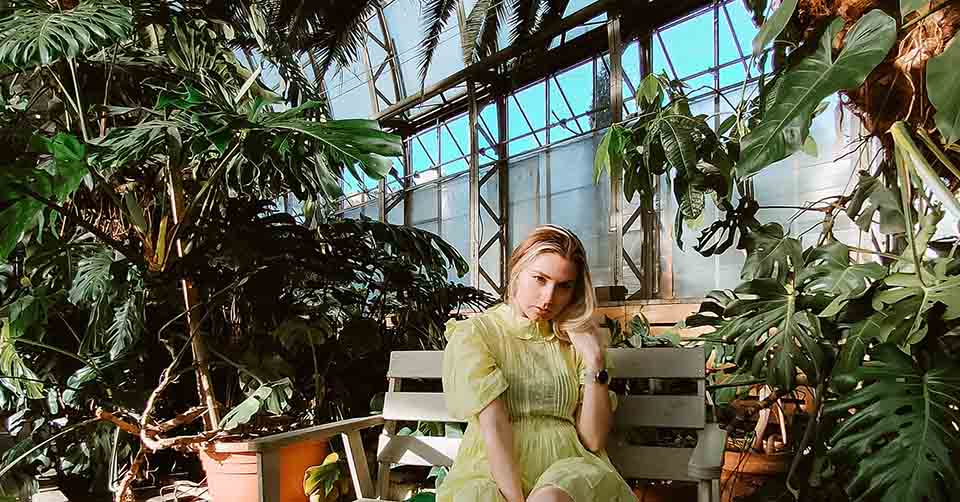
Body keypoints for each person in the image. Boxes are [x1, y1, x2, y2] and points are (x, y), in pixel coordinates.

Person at [438, 225, 635, 502]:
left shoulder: (578, 340)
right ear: (517, 271)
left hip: (568, 470)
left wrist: (595, 362)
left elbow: (592, 440)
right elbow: (495, 426)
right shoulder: (477, 334)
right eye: (540, 279)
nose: (549, 298)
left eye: (564, 286)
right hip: (492, 468)